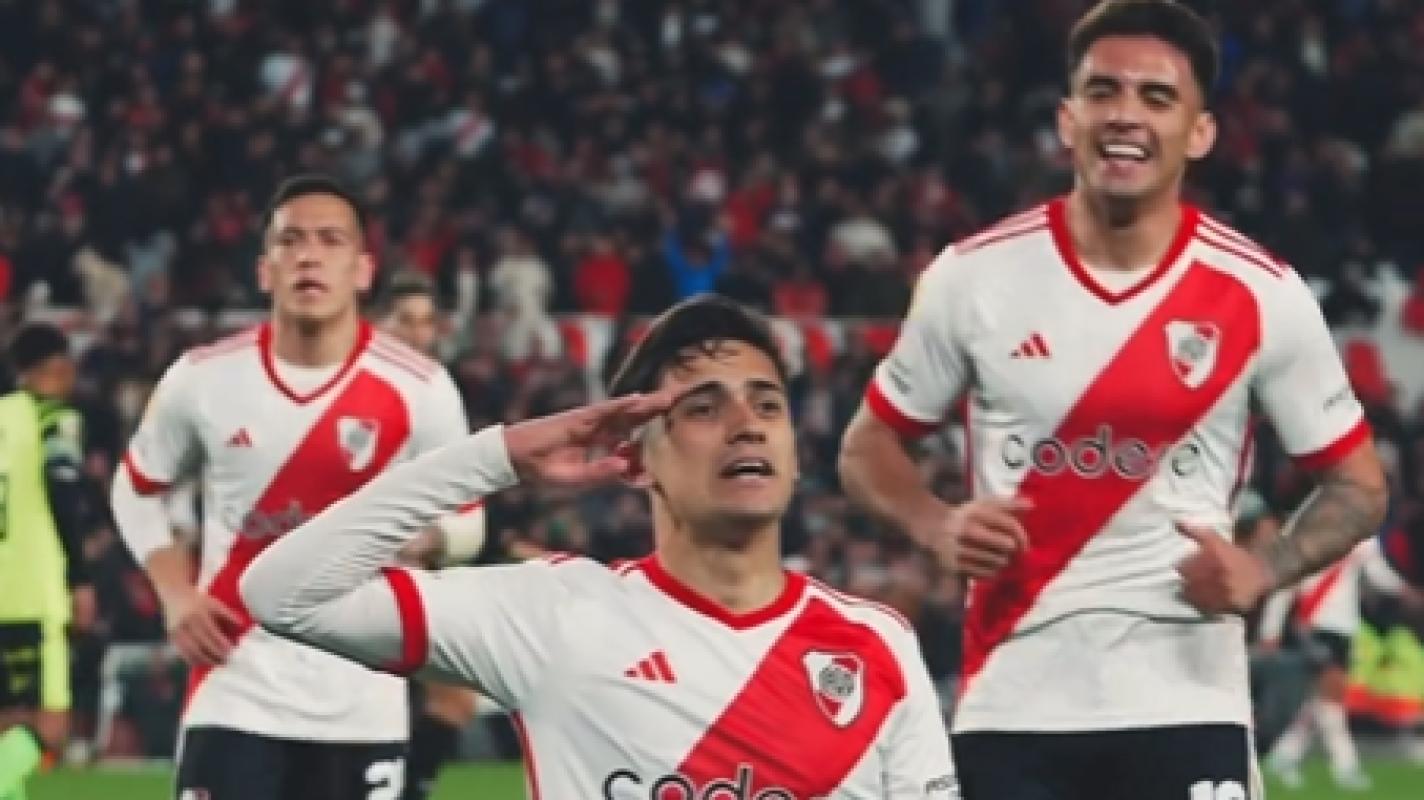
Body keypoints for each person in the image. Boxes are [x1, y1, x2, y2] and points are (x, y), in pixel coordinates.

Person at [836, 2, 1389, 798]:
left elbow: (1360, 484)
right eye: (1103, 91)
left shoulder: (1260, 293)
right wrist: (934, 523)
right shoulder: (971, 278)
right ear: (1068, 119)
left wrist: (1265, 567)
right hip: (1014, 701)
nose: (1126, 114)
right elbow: (866, 446)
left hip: (1187, 698)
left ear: (1200, 132)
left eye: (1157, 97)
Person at [240, 295, 957, 798]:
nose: (747, 424)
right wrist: (499, 456)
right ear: (635, 459)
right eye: (703, 407)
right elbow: (284, 593)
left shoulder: (879, 646)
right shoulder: (555, 615)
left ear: (795, 454)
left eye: (767, 404)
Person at [110, 174, 469, 800]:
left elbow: (469, 521)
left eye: (330, 240)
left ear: (362, 271)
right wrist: (175, 594)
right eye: (291, 241)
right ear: (264, 270)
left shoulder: (422, 389)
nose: (308, 256)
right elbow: (134, 487)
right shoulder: (203, 378)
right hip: (233, 689)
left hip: (363, 695)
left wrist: (431, 540)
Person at [373, 272, 486, 800]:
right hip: (347, 574)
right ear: (376, 326)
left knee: (456, 698)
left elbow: (467, 510)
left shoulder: (439, 397)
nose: (418, 335)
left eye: (426, 323)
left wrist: (434, 539)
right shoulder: (353, 392)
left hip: (414, 572)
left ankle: (406, 790)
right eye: (405, 322)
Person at [0, 324, 99, 800]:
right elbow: (64, 492)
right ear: (56, 366)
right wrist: (80, 578)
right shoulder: (54, 419)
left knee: (6, 725)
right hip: (34, 594)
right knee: (50, 729)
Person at [1260, 535, 1416, 790]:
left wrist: (1403, 589)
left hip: (1345, 628)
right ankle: (1346, 767)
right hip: (1316, 624)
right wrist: (1271, 628)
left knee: (1322, 702)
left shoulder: (1361, 541)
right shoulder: (1308, 536)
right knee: (1331, 700)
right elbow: (1287, 586)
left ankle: (1283, 757)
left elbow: (1378, 573)